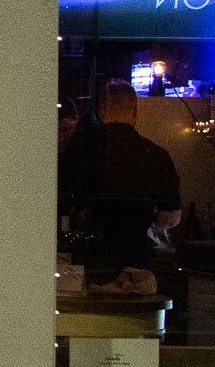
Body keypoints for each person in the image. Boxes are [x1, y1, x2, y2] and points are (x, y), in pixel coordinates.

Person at [59, 80, 181, 267]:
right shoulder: (156, 155)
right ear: (135, 112)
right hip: (136, 256)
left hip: (85, 256)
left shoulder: (79, 152)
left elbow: (63, 201)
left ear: (101, 112)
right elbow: (171, 216)